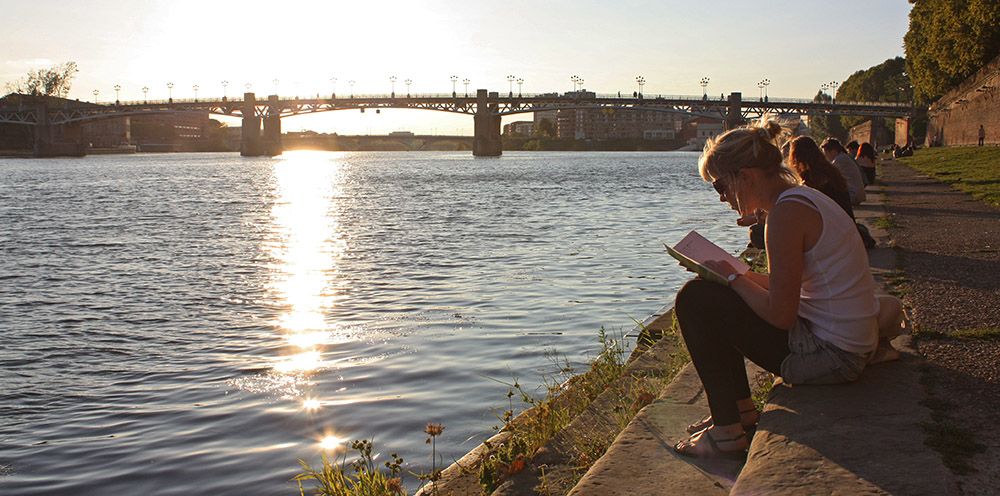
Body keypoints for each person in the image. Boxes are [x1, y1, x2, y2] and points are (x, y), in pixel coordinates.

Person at [672, 120, 881, 459]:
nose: (722, 198)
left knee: (695, 300)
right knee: (712, 293)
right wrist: (730, 275)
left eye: (720, 186)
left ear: (746, 176)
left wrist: (733, 279)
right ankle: (739, 413)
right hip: (846, 343)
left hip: (832, 357)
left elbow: (781, 315)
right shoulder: (802, 199)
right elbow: (792, 286)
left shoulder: (785, 215)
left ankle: (726, 432)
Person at [821, 138, 866, 205]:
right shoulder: (843, 157)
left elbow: (827, 175)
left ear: (833, 151)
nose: (826, 157)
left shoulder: (839, 160)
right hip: (856, 194)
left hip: (853, 195)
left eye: (826, 153)